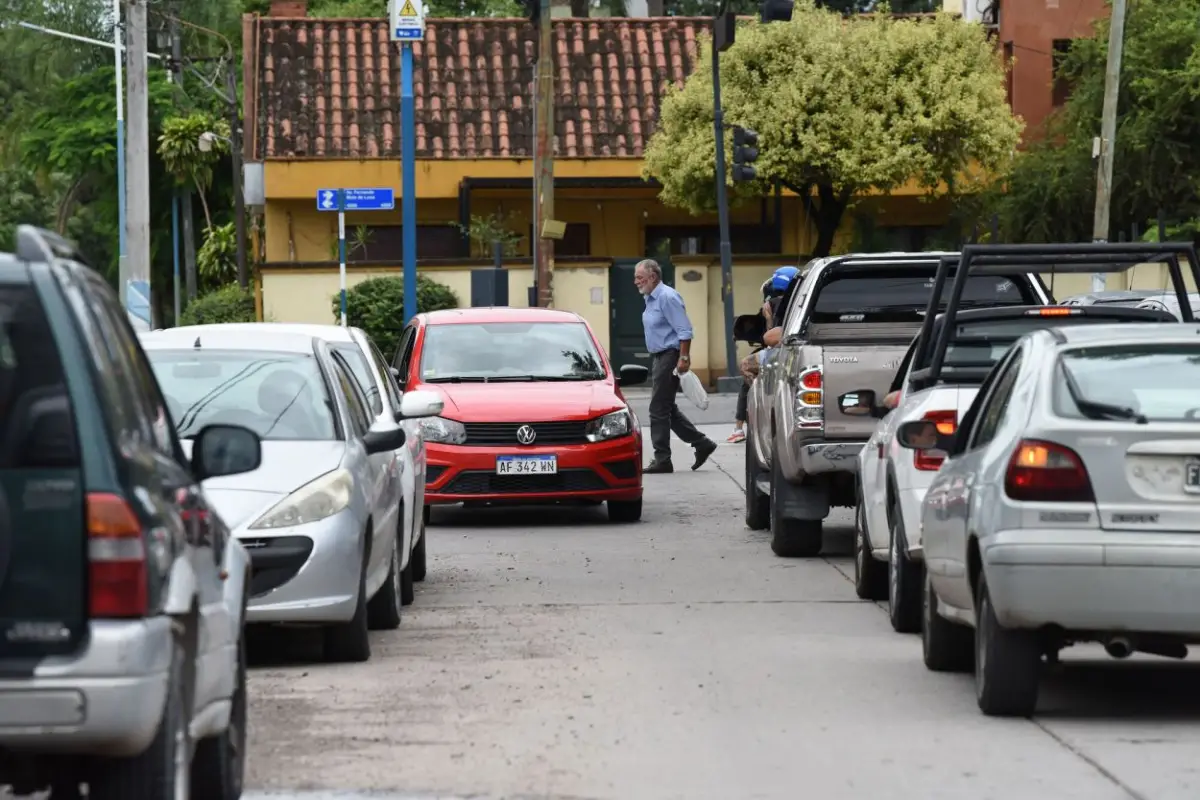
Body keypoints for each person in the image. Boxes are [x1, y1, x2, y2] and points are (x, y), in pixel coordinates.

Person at [635, 258, 717, 473]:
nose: (636, 281)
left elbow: (684, 330)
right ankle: (701, 443)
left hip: (670, 356)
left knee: (658, 408)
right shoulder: (650, 298)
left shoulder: (667, 297)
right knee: (667, 408)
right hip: (660, 356)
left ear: (653, 277)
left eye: (639, 277)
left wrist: (684, 357)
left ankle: (663, 459)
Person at [728, 266, 801, 443]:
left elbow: (770, 336)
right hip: (795, 351)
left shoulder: (773, 304)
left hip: (780, 351)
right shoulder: (800, 299)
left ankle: (751, 418)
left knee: (746, 366)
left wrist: (768, 317)